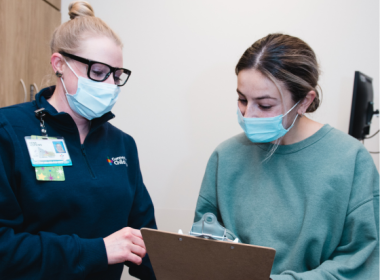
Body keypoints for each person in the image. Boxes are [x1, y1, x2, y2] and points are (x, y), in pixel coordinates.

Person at [194, 33, 379, 279]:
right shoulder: (225, 157)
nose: (248, 114)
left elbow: (362, 261)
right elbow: (203, 246)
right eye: (242, 99)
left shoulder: (350, 159)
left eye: (265, 105)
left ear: (304, 101)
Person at [0, 1, 156, 279]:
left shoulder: (122, 145)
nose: (110, 86)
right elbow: (4, 248)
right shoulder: (9, 131)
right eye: (98, 72)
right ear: (59, 64)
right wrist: (98, 251)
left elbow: (143, 242)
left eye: (117, 76)